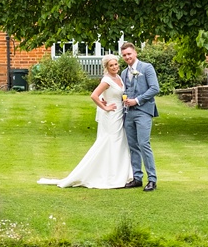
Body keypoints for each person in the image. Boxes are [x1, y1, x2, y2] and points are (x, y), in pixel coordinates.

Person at [38, 54, 134, 189]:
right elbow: (94, 95)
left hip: (119, 114)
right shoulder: (107, 80)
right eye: (111, 65)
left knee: (119, 143)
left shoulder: (118, 77)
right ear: (106, 67)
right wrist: (105, 107)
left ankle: (118, 174)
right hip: (111, 116)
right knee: (110, 142)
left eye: (115, 64)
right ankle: (108, 176)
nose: (114, 67)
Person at [119, 42, 159, 191]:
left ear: (135, 53)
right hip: (128, 113)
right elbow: (123, 91)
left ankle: (152, 179)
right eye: (124, 55)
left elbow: (155, 88)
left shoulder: (146, 67)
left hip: (143, 111)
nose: (127, 57)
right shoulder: (124, 73)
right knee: (133, 146)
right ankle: (137, 178)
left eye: (129, 54)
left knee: (143, 143)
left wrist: (136, 100)